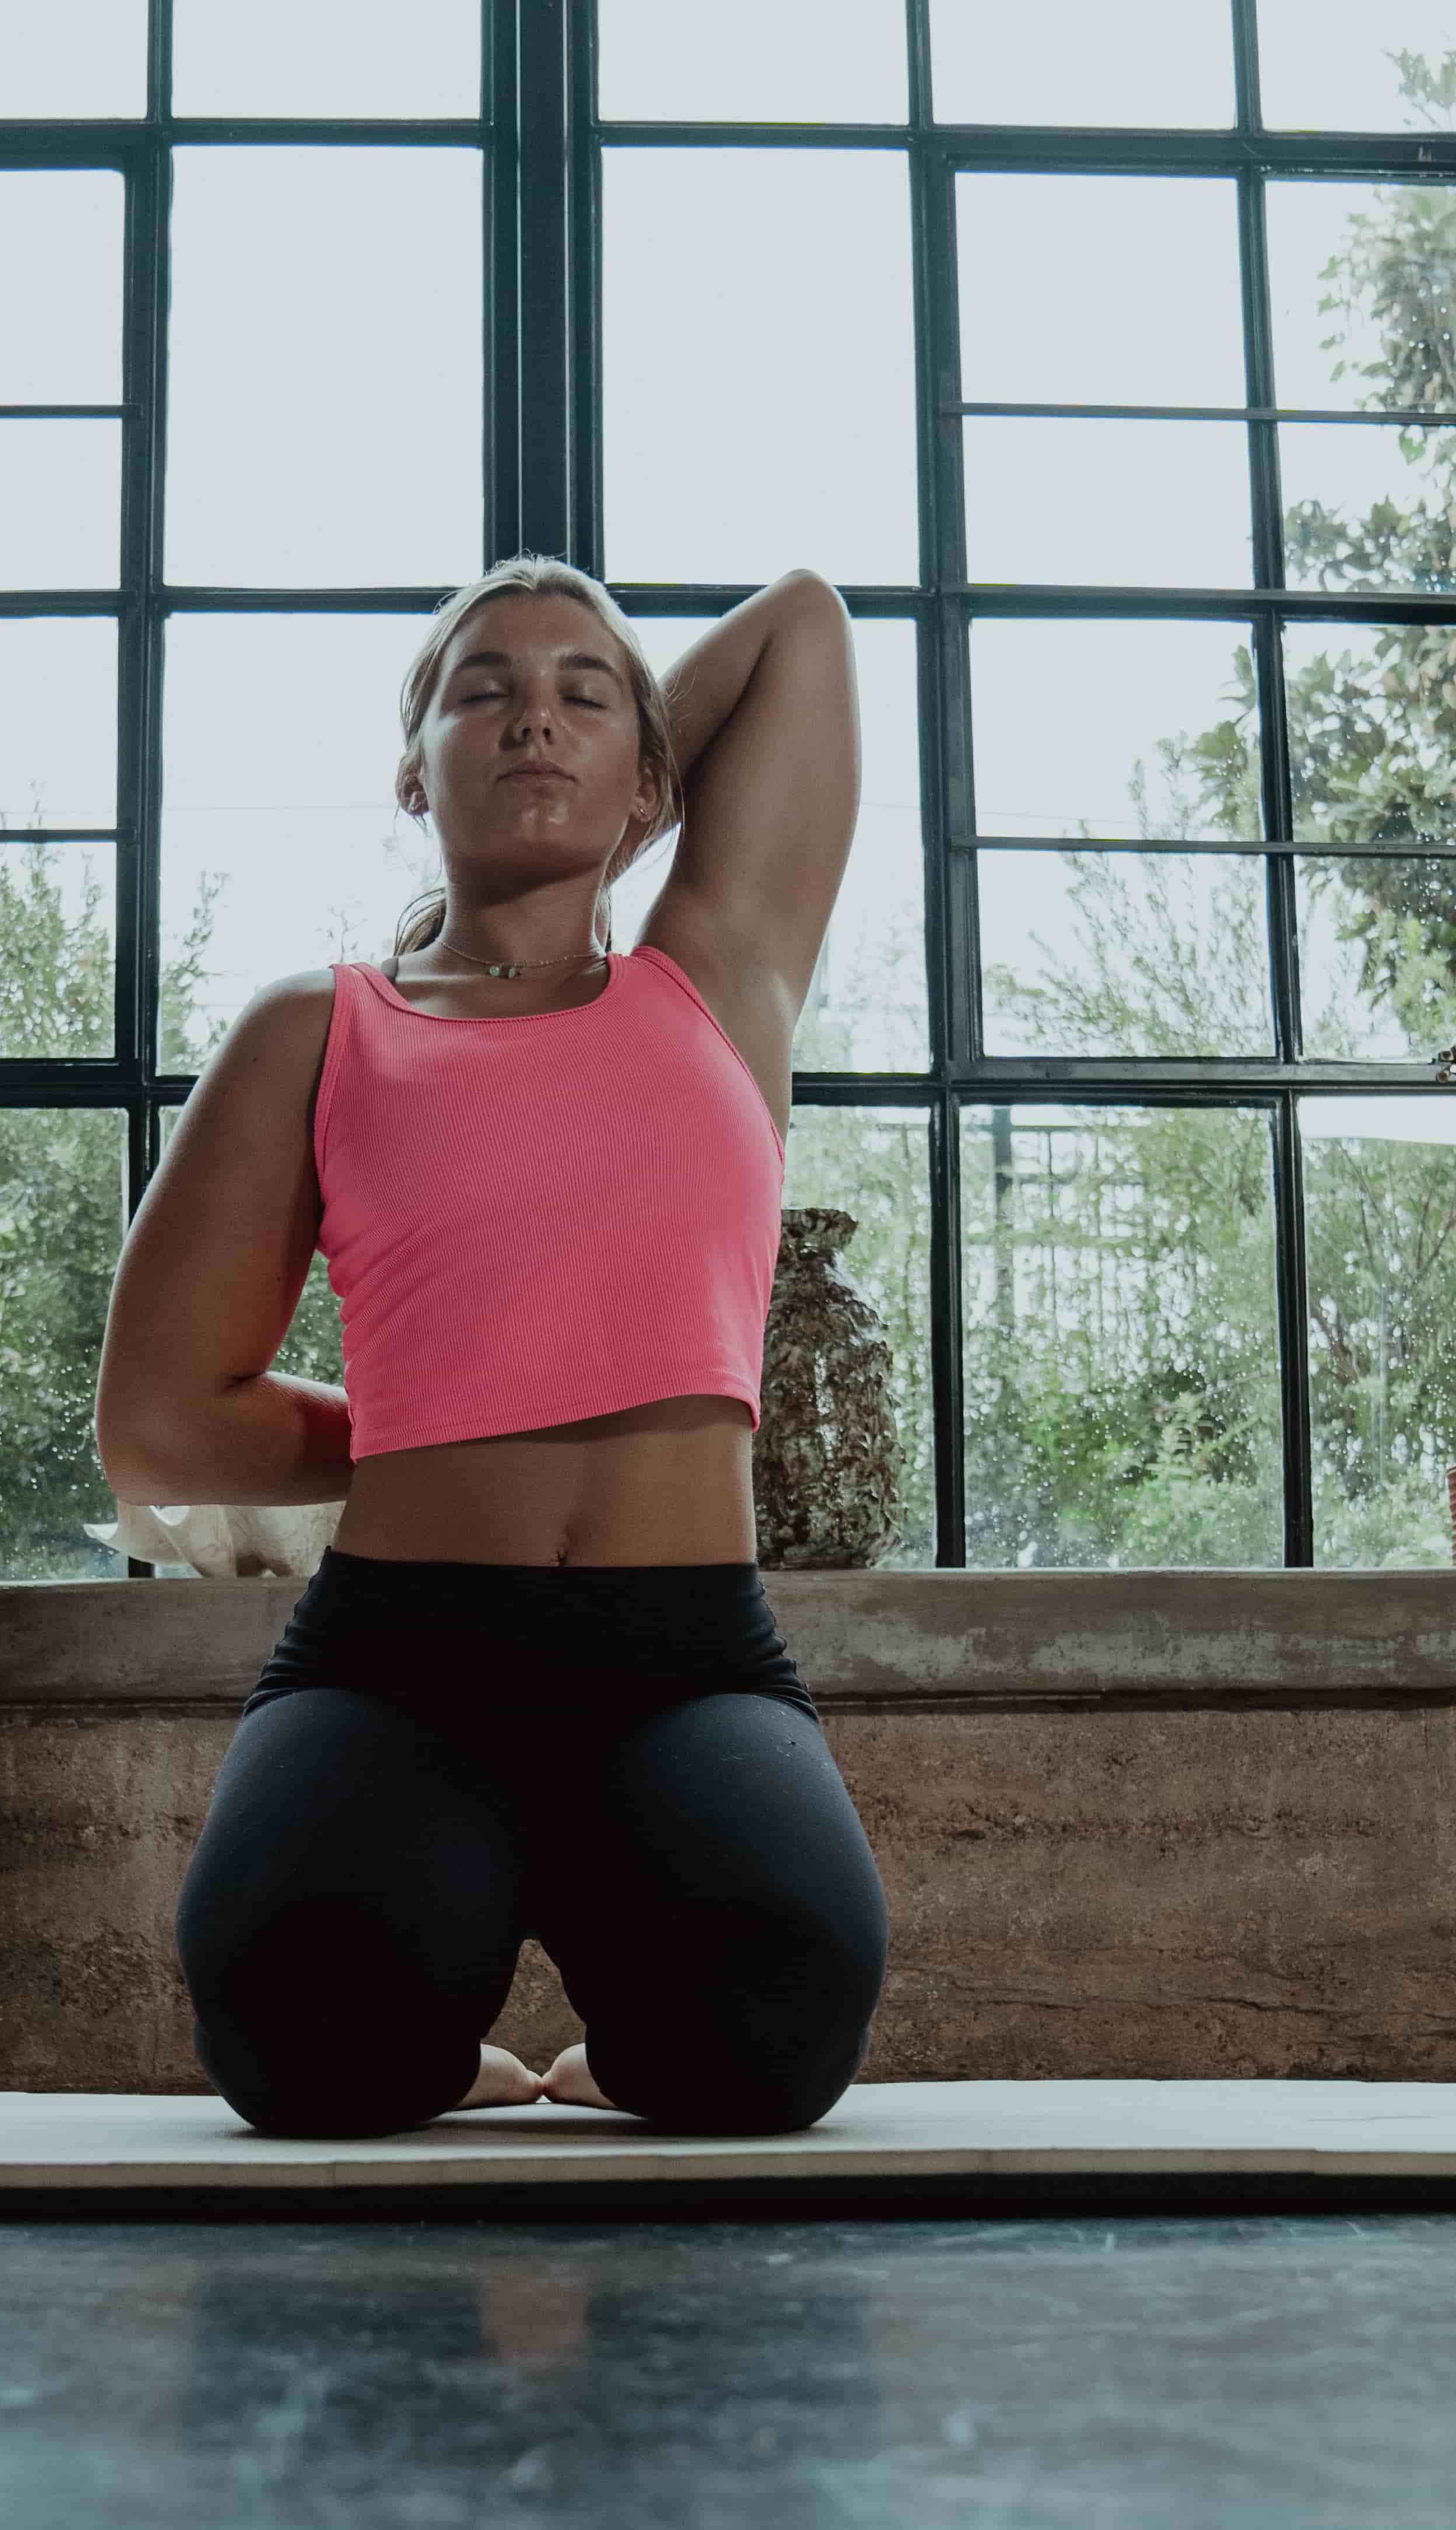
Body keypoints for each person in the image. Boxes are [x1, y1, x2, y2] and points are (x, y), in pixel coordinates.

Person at [97, 557, 888, 2139]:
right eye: (482, 693)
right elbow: (161, 1425)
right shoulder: (314, 1032)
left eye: (582, 695)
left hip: (684, 1661)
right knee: (293, 2052)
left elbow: (802, 620)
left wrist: (610, 793)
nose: (533, 713)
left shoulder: (715, 981)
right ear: (412, 767)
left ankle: (588, 2069)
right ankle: (465, 2063)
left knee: (775, 2043)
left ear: (654, 775)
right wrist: (434, 1416)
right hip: (403, 1658)